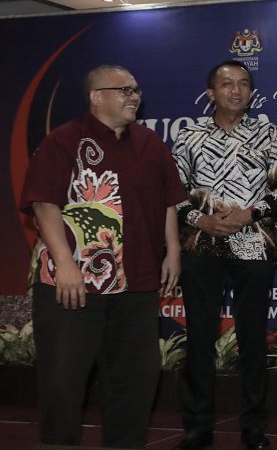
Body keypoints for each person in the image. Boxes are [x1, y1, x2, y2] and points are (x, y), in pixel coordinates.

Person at [20, 65, 185, 448]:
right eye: (124, 90)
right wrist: (65, 263)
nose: (134, 96)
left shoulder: (150, 143)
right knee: (63, 381)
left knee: (137, 379)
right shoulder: (64, 141)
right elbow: (44, 204)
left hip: (137, 282)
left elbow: (168, 200)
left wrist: (174, 250)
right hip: (73, 285)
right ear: (97, 97)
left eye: (136, 90)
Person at [171, 60, 277, 450]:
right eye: (227, 84)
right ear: (211, 93)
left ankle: (254, 426)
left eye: (244, 83)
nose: (236, 90)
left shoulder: (267, 134)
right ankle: (197, 427)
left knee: (252, 338)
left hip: (253, 245)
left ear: (251, 93)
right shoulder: (189, 136)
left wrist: (250, 213)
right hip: (201, 246)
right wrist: (201, 220)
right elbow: (172, 192)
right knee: (200, 337)